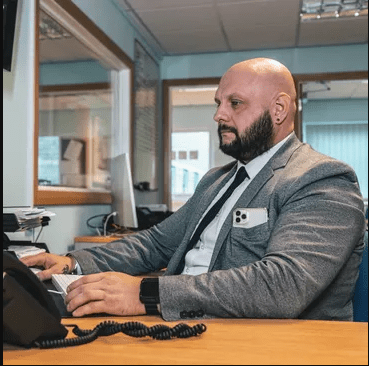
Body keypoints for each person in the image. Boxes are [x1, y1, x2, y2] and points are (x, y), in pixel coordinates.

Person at [21, 58, 366, 321]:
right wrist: (74, 263)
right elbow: (156, 242)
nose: (218, 114)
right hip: (184, 323)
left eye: (235, 103)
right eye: (218, 103)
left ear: (279, 110)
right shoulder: (217, 179)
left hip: (262, 342)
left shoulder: (322, 179)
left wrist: (146, 293)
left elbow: (283, 285)